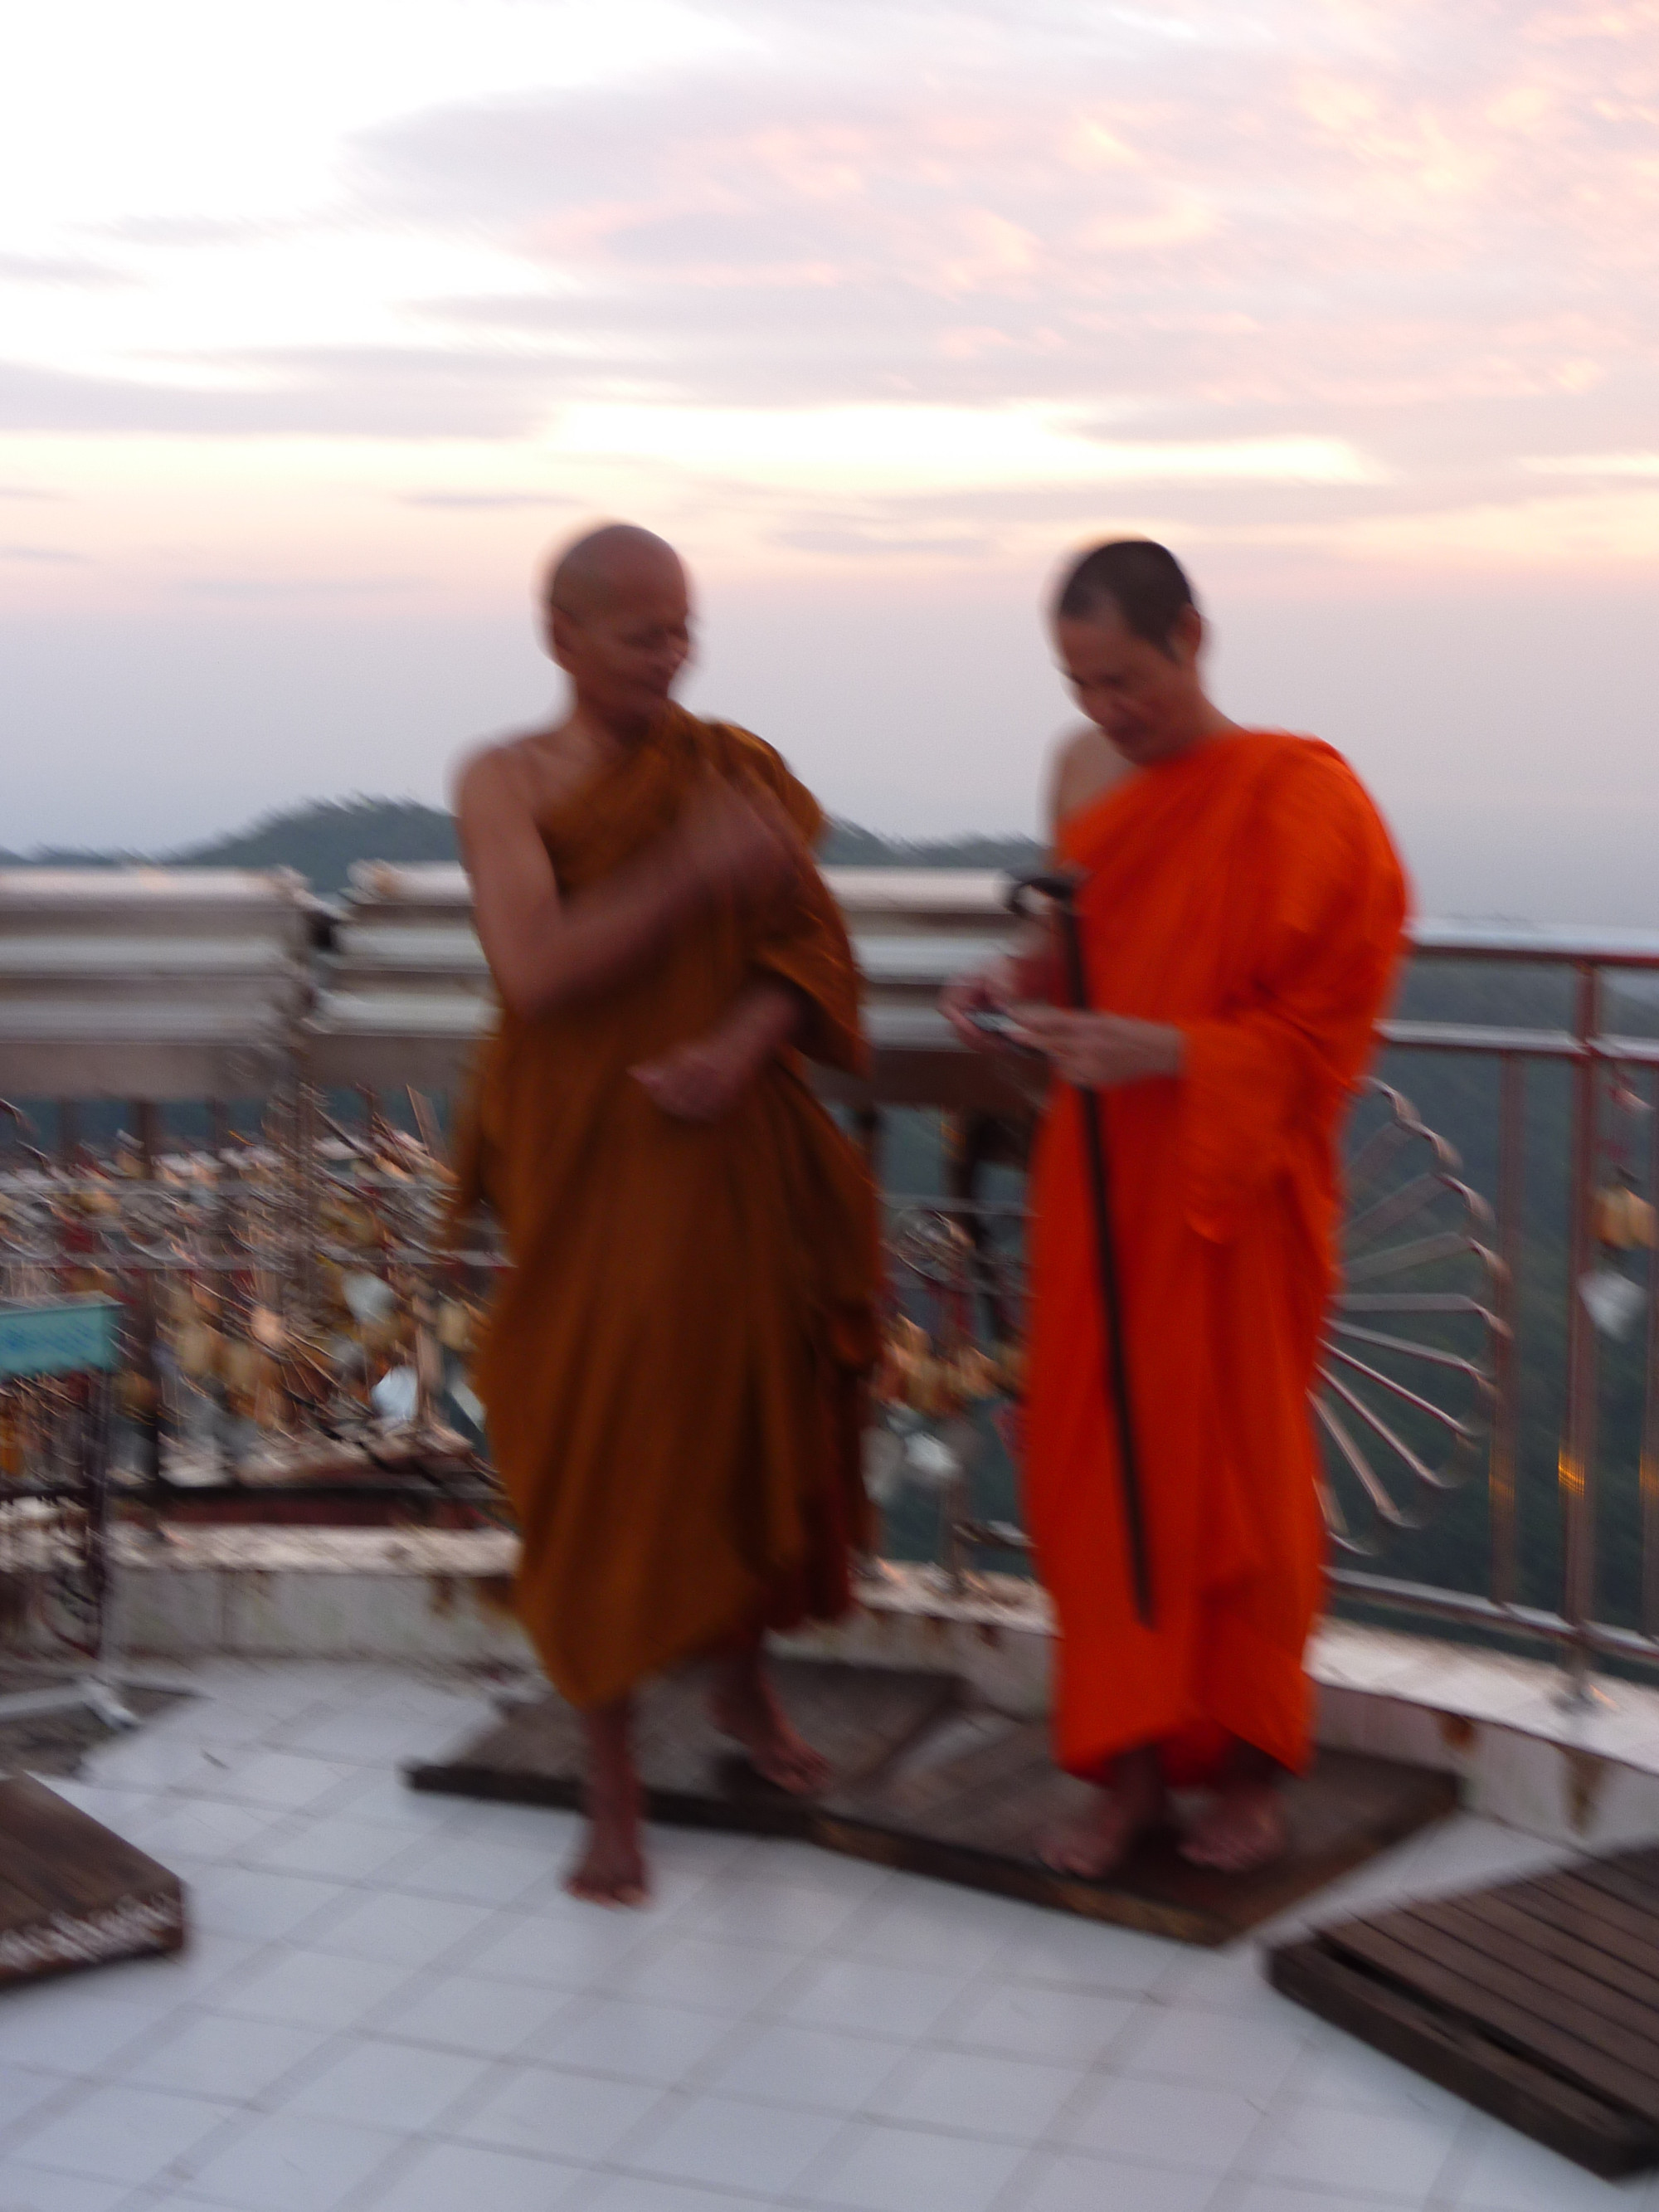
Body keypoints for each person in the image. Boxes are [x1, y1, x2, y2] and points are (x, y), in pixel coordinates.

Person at [945, 539, 1407, 1876]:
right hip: (1096, 1179)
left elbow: (1329, 1022)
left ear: (1193, 638)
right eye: (1083, 683)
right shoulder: (1088, 775)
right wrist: (1006, 979)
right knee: (1099, 1483)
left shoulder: (1297, 794)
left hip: (1235, 1190)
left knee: (1241, 1492)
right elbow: (1077, 941)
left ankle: (1249, 1771)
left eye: (1128, 679)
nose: (1108, 711)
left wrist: (1176, 1052)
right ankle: (1131, 1770)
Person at [450, 523, 878, 1907]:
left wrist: (737, 1051)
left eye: (683, 628)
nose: (671, 655)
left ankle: (745, 1695)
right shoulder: (503, 780)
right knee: (599, 1448)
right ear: (562, 637)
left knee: (757, 1417)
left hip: (724, 1144)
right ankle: (614, 1780)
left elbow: (802, 950)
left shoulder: (726, 771)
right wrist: (690, 873)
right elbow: (537, 965)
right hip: (587, 1161)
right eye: (643, 632)